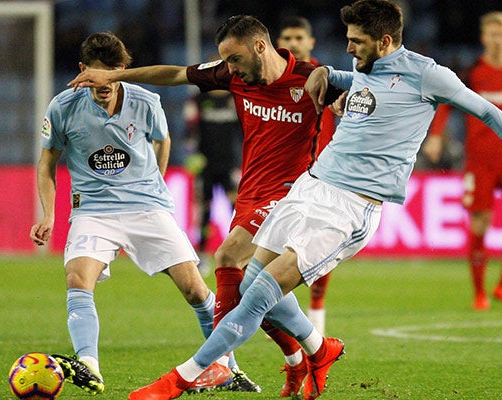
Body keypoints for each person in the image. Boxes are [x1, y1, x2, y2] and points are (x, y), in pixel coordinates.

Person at [124, 1, 502, 399]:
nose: (350, 48)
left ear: (385, 41)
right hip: (310, 187)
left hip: (352, 206)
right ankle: (320, 350)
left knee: (257, 295)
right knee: (249, 283)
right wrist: (328, 74)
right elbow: (358, 79)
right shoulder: (366, 70)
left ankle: (177, 381)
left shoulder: (429, 76)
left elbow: (490, 112)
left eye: (357, 42)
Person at [68, 15, 344, 397]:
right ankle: (310, 352)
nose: (229, 68)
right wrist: (116, 77)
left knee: (227, 256)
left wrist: (343, 95)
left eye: (234, 59)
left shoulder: (312, 80)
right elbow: (174, 74)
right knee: (253, 285)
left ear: (259, 47)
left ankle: (214, 365)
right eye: (225, 60)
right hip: (250, 191)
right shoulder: (231, 76)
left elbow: (365, 95)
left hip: (292, 193)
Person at [29, 31, 229, 395]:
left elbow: (162, 139)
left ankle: (227, 366)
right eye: (97, 73)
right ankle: (88, 364)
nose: (104, 82)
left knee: (196, 290)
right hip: (93, 211)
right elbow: (47, 164)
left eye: (113, 73)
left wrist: (157, 184)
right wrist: (49, 216)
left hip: (146, 206)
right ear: (82, 69)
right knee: (77, 278)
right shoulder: (63, 106)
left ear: (123, 70)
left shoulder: (146, 100)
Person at [422, 11, 502, 311]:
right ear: (484, 38)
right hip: (480, 161)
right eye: (492, 34)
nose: (497, 40)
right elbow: (447, 103)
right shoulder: (473, 72)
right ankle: (479, 293)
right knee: (480, 224)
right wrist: (436, 135)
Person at [277, 16, 336, 336]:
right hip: (278, 177)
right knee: (271, 253)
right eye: (287, 36)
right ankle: (288, 324)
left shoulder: (327, 78)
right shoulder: (271, 79)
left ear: (311, 42)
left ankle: (316, 313)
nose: (294, 42)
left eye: (300, 36)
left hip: (320, 176)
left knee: (319, 248)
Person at [182, 81, 242, 267]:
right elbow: (189, 131)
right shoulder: (199, 100)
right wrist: (191, 153)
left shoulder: (236, 100)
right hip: (205, 163)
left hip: (230, 163)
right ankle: (202, 254)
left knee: (237, 207)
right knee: (205, 208)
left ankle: (240, 251)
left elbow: (245, 132)